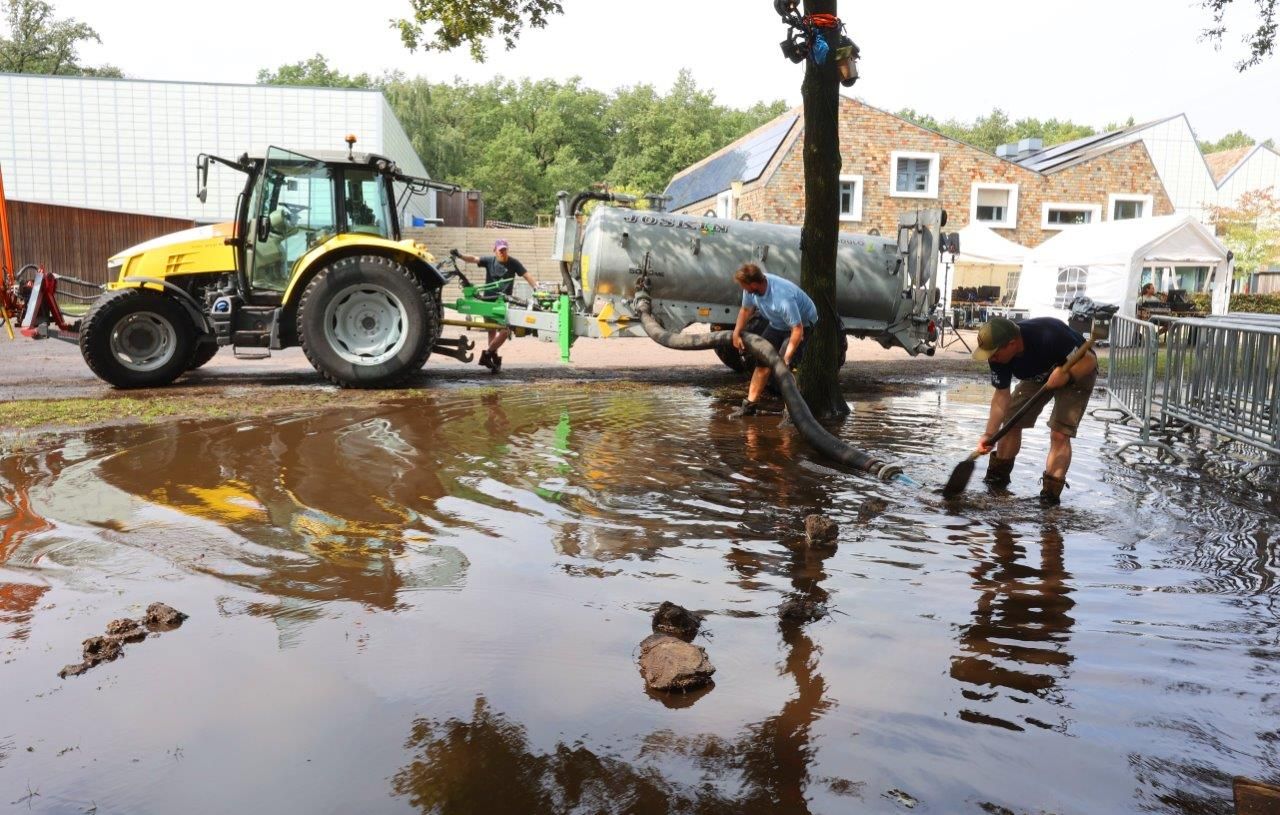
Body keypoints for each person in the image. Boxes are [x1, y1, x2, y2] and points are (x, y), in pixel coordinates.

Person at [972, 316, 1097, 505]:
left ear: (1012, 344)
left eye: (994, 353)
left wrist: (1067, 375)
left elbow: (1089, 361)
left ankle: (1049, 497)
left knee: (1059, 433)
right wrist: (989, 434)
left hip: (1077, 371)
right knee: (1011, 421)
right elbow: (1001, 397)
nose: (992, 358)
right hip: (1039, 375)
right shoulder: (997, 356)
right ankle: (996, 483)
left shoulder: (1048, 335)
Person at [729, 263, 818, 417]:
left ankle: (792, 413)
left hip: (802, 324)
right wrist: (736, 333)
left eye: (744, 286)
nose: (744, 290)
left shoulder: (782, 297)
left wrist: (787, 357)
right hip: (777, 324)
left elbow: (797, 329)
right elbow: (745, 310)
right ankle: (749, 406)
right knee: (762, 362)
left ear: (754, 284)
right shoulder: (751, 291)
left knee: (785, 368)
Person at [451, 240, 537, 372]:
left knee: (505, 331)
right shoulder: (489, 261)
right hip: (488, 302)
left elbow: (526, 275)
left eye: (504, 250)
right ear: (495, 250)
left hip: (503, 304)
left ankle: (487, 354)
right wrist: (460, 256)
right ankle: (493, 356)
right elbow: (473, 259)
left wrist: (537, 288)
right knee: (491, 331)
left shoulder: (513, 263)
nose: (502, 253)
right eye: (500, 250)